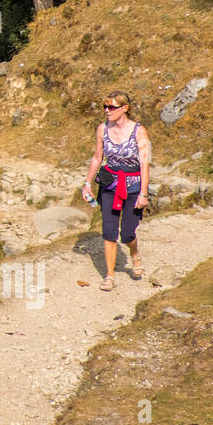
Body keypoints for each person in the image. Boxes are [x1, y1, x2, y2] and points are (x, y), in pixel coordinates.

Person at [81, 91, 151, 290]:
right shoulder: (102, 129)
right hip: (110, 184)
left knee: (127, 233)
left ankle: (134, 252)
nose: (106, 111)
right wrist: (87, 183)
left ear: (124, 108)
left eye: (111, 107)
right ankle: (109, 276)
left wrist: (143, 193)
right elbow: (97, 158)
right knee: (109, 230)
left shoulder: (139, 131)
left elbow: (144, 163)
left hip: (133, 185)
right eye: (105, 107)